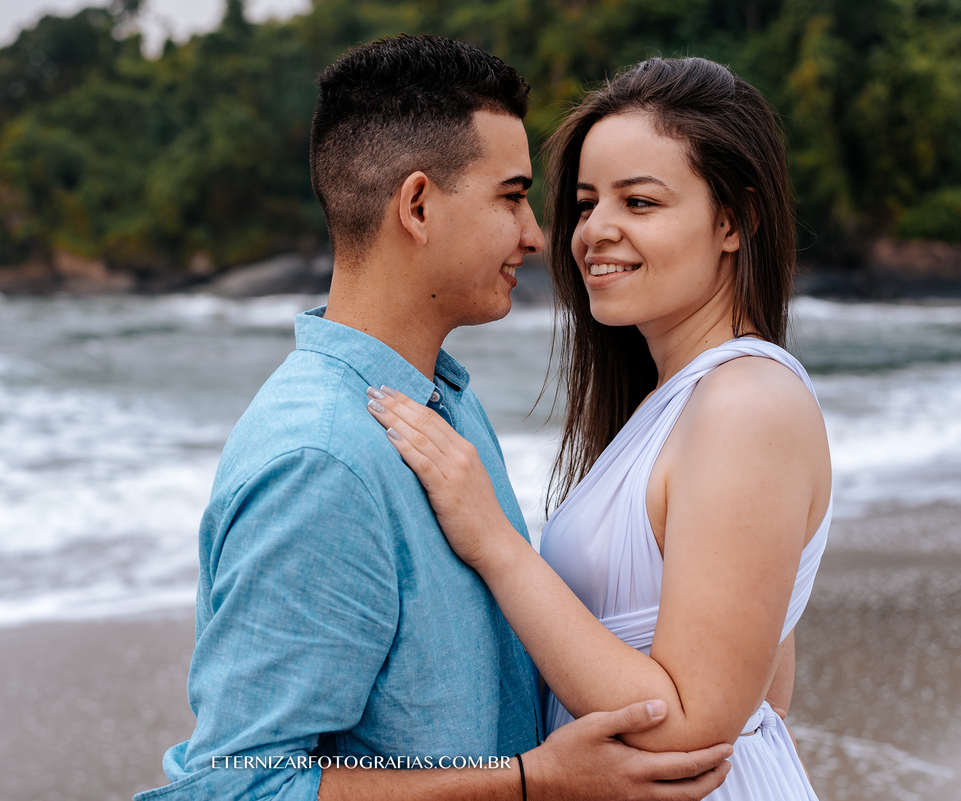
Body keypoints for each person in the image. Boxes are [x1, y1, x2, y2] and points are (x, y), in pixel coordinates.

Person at [137, 37, 733, 801]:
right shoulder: (321, 460)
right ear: (418, 207)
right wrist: (530, 781)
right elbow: (237, 786)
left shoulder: (440, 403)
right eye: (511, 197)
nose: (536, 235)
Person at [366, 56, 831, 799]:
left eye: (639, 202)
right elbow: (767, 683)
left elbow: (689, 728)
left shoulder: (745, 403)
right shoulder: (682, 402)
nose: (594, 232)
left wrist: (493, 541)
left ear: (732, 220)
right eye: (586, 204)